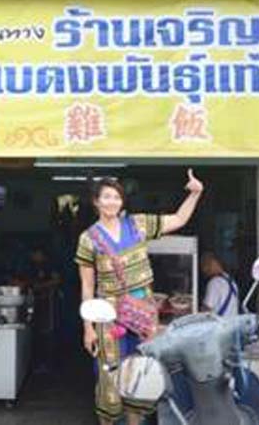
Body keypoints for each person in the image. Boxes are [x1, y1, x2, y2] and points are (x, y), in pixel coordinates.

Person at [75, 170, 204, 425]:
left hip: (143, 316)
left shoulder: (138, 224)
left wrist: (195, 194)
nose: (112, 202)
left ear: (122, 201)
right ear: (96, 202)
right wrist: (87, 327)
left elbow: (179, 219)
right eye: (106, 197)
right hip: (107, 317)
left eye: (116, 197)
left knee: (141, 374)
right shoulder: (88, 239)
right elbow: (87, 287)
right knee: (109, 376)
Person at [200, 252, 240, 318]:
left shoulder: (214, 283)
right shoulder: (232, 282)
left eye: (205, 265)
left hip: (219, 324)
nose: (204, 270)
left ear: (214, 263)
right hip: (232, 323)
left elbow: (206, 310)